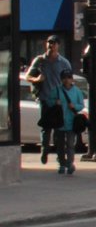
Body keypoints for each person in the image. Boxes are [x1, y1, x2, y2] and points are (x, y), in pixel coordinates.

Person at [25, 35, 72, 166]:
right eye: (49, 43)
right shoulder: (40, 60)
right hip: (45, 99)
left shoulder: (64, 63)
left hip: (59, 101)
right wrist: (37, 79)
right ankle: (44, 150)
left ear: (58, 45)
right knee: (46, 128)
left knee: (59, 130)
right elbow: (28, 76)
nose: (51, 45)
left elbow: (69, 81)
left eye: (53, 43)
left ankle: (60, 156)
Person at [53, 70, 86, 176]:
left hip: (71, 122)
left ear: (72, 79)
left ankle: (70, 163)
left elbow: (81, 105)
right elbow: (49, 101)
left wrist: (74, 106)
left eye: (68, 77)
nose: (66, 80)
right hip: (59, 121)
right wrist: (54, 103)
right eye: (64, 78)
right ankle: (62, 163)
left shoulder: (77, 91)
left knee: (70, 144)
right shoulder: (57, 90)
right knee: (60, 145)